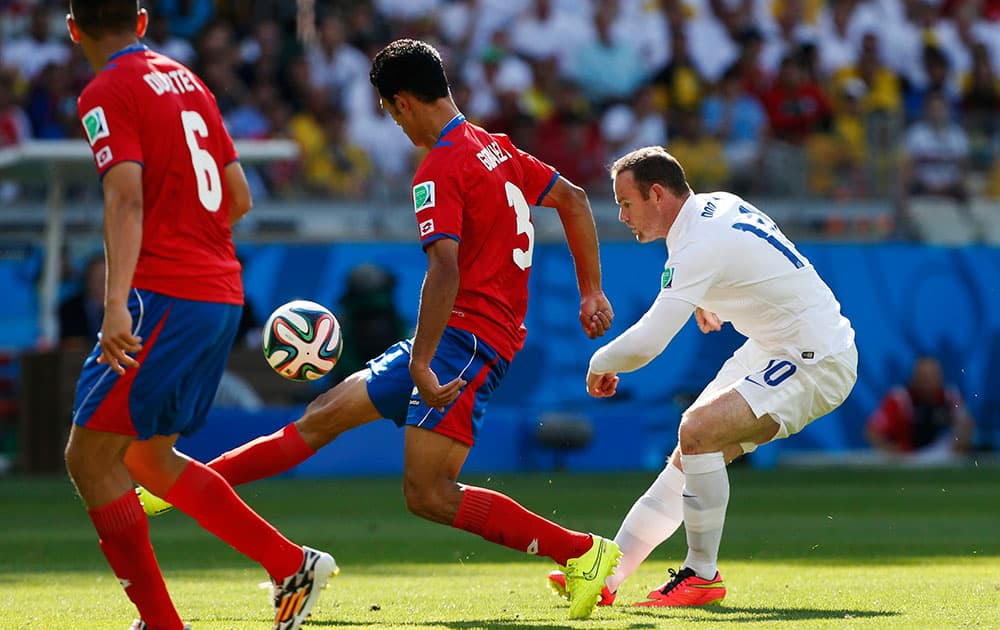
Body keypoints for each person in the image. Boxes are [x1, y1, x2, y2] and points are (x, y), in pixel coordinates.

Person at [138, 38, 621, 621]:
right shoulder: (496, 147)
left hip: (465, 344)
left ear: (402, 103)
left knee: (428, 494)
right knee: (320, 417)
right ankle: (179, 485)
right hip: (449, 339)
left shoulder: (441, 165)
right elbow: (571, 198)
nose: (394, 124)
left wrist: (421, 362)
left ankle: (583, 553)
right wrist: (590, 289)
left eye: (390, 113)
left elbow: (444, 267)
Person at [61, 3, 336, 630]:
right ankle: (289, 562)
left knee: (88, 456)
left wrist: (113, 303)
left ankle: (162, 623)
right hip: (219, 290)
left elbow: (124, 195)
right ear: (140, 19)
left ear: (74, 29)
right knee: (148, 459)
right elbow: (237, 196)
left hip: (163, 295)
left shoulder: (106, 91)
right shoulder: (190, 81)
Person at [548, 146, 857, 607]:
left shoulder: (697, 244)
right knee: (688, 454)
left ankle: (702, 575)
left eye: (626, 203)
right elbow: (758, 263)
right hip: (776, 345)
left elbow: (648, 342)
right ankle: (606, 579)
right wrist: (708, 296)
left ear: (657, 194)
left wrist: (599, 363)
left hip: (814, 355)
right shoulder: (715, 207)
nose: (621, 215)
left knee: (697, 431)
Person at [866, 356, 974, 461]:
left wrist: (960, 447)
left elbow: (966, 426)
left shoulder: (951, 396)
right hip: (907, 459)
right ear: (914, 377)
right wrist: (892, 452)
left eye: (932, 376)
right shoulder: (900, 398)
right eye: (923, 376)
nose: (927, 381)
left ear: (940, 377)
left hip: (942, 457)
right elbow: (872, 431)